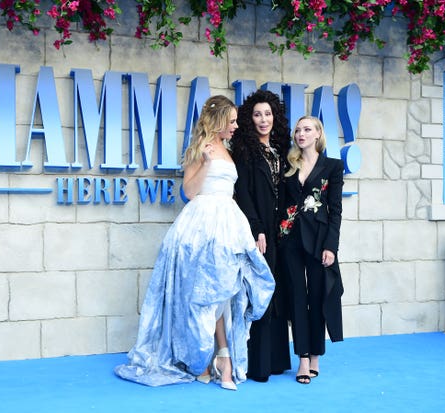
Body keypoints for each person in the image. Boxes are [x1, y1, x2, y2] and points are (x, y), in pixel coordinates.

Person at [114, 95, 275, 390]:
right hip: (201, 224)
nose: (237, 126)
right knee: (209, 291)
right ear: (218, 121)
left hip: (228, 222)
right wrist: (205, 162)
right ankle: (217, 359)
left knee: (227, 288)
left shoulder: (228, 149)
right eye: (232, 121)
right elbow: (188, 191)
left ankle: (217, 358)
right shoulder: (200, 148)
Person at [230, 90, 292, 382]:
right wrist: (257, 228)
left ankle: (278, 360)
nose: (263, 119)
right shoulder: (244, 150)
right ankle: (259, 365)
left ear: (275, 117)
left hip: (284, 231)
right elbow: (242, 193)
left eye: (268, 114)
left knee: (280, 293)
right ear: (249, 119)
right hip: (262, 231)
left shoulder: (282, 149)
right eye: (257, 114)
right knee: (261, 294)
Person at [278, 115, 344, 385]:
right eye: (298, 130)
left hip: (319, 241)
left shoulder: (333, 167)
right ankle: (303, 358)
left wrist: (331, 246)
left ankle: (316, 353)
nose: (301, 134)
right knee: (296, 296)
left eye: (307, 129)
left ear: (318, 134)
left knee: (317, 297)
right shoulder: (288, 165)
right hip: (290, 239)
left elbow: (336, 210)